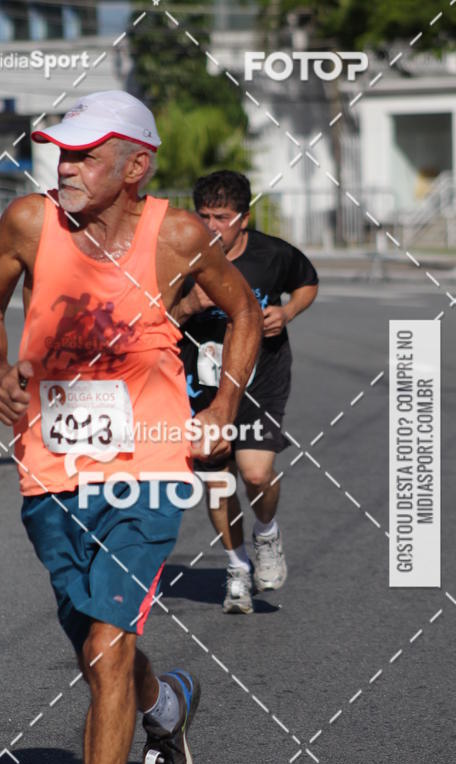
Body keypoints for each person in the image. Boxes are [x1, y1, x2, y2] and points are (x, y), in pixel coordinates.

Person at [0, 92, 261, 764]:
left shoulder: (178, 235)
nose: (66, 168)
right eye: (62, 153)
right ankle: (163, 705)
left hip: (150, 465)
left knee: (105, 645)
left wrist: (223, 406)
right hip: (52, 467)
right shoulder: (29, 222)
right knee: (96, 641)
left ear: (137, 166)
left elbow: (242, 310)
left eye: (84, 155)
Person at [178, 171, 318, 614]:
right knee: (218, 480)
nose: (211, 226)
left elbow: (307, 282)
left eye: (222, 217)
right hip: (201, 384)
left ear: (244, 218)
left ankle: (266, 533)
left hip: (261, 379)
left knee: (256, 475)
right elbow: (152, 314)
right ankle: (237, 566)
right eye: (203, 216)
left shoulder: (271, 254)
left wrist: (287, 312)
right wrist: (189, 305)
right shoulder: (181, 256)